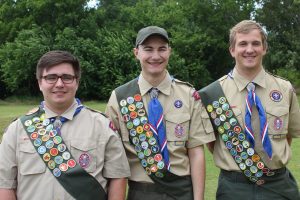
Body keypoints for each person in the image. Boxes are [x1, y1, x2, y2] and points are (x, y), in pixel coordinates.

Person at [0, 50, 130, 200]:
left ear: (77, 82)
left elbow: (118, 177)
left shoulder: (102, 126)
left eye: (67, 77)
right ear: (40, 83)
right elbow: (5, 185)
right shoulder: (17, 130)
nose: (60, 84)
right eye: (51, 78)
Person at [105, 26, 215, 200]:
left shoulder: (188, 94)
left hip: (182, 191)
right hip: (140, 193)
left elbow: (196, 152)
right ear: (136, 53)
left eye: (162, 49)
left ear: (169, 52)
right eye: (148, 49)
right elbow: (112, 159)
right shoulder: (120, 98)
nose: (155, 56)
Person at [199, 20, 300, 200]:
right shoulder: (213, 93)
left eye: (255, 43)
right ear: (232, 50)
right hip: (234, 188)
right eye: (242, 44)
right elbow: (212, 143)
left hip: (278, 186)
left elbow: (288, 136)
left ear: (264, 48)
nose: (249, 49)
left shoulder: (284, 89)